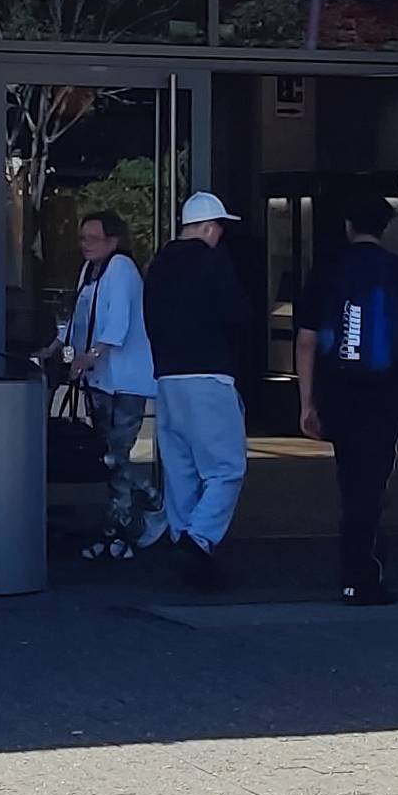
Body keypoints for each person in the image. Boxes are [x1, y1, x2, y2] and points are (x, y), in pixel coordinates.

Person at [295, 193, 398, 606]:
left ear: (348, 226)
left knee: (351, 475)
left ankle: (354, 570)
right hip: (386, 388)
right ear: (385, 228)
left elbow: (306, 342)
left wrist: (306, 400)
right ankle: (362, 574)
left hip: (337, 388)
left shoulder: (326, 270)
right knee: (373, 479)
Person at [143, 191, 251, 588]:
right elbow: (237, 315)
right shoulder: (213, 261)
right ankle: (198, 538)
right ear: (208, 227)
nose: (220, 235)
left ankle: (185, 543)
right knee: (226, 468)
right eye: (219, 227)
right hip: (209, 376)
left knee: (181, 468)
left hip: (167, 379)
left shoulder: (158, 264)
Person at [56, 212, 163, 561]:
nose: (85, 244)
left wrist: (90, 356)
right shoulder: (89, 272)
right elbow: (79, 320)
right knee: (111, 460)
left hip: (126, 380)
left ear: (114, 241)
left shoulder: (122, 270)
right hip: (101, 379)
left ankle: (147, 507)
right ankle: (122, 528)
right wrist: (63, 350)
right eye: (83, 238)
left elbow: (117, 323)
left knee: (114, 456)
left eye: (93, 238)